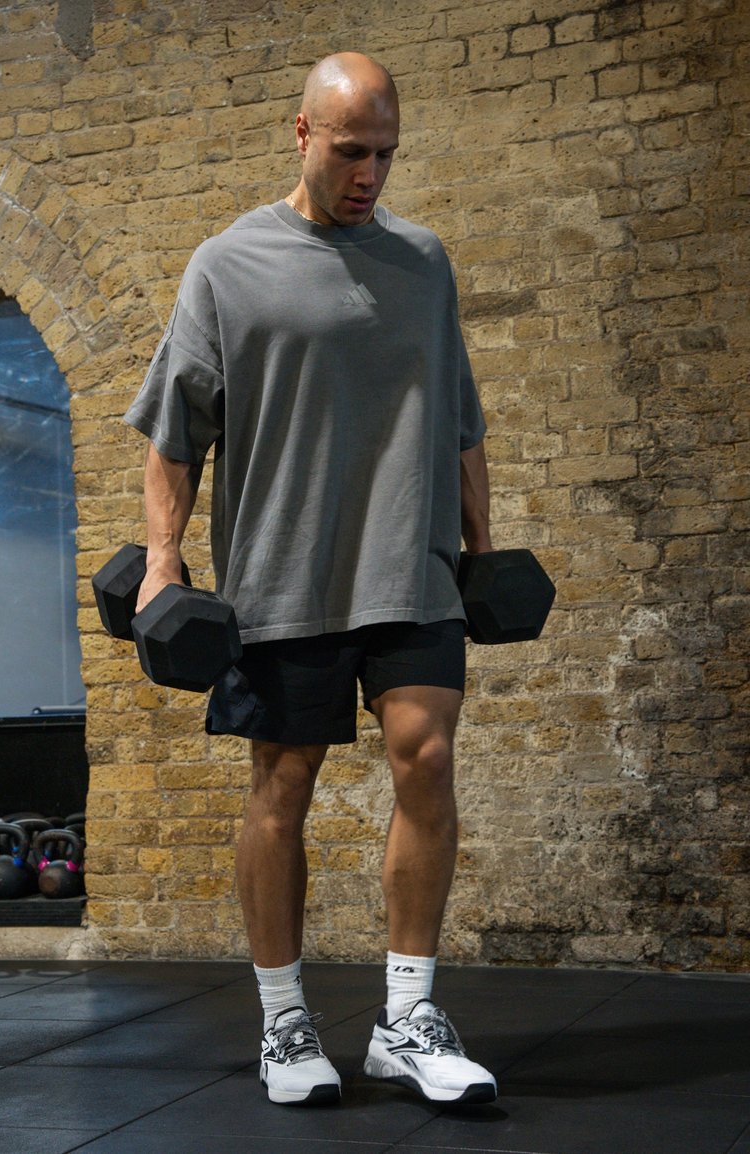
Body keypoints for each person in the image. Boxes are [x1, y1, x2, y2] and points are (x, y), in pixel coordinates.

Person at [125, 51, 497, 1108]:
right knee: (280, 788)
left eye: (384, 152)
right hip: (281, 577)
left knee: (424, 757)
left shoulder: (422, 262)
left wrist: (482, 549)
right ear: (300, 136)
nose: (368, 172)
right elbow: (171, 434)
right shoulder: (226, 264)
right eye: (348, 151)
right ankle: (285, 1020)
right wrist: (162, 561)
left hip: (411, 564)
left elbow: (461, 421)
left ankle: (406, 1016)